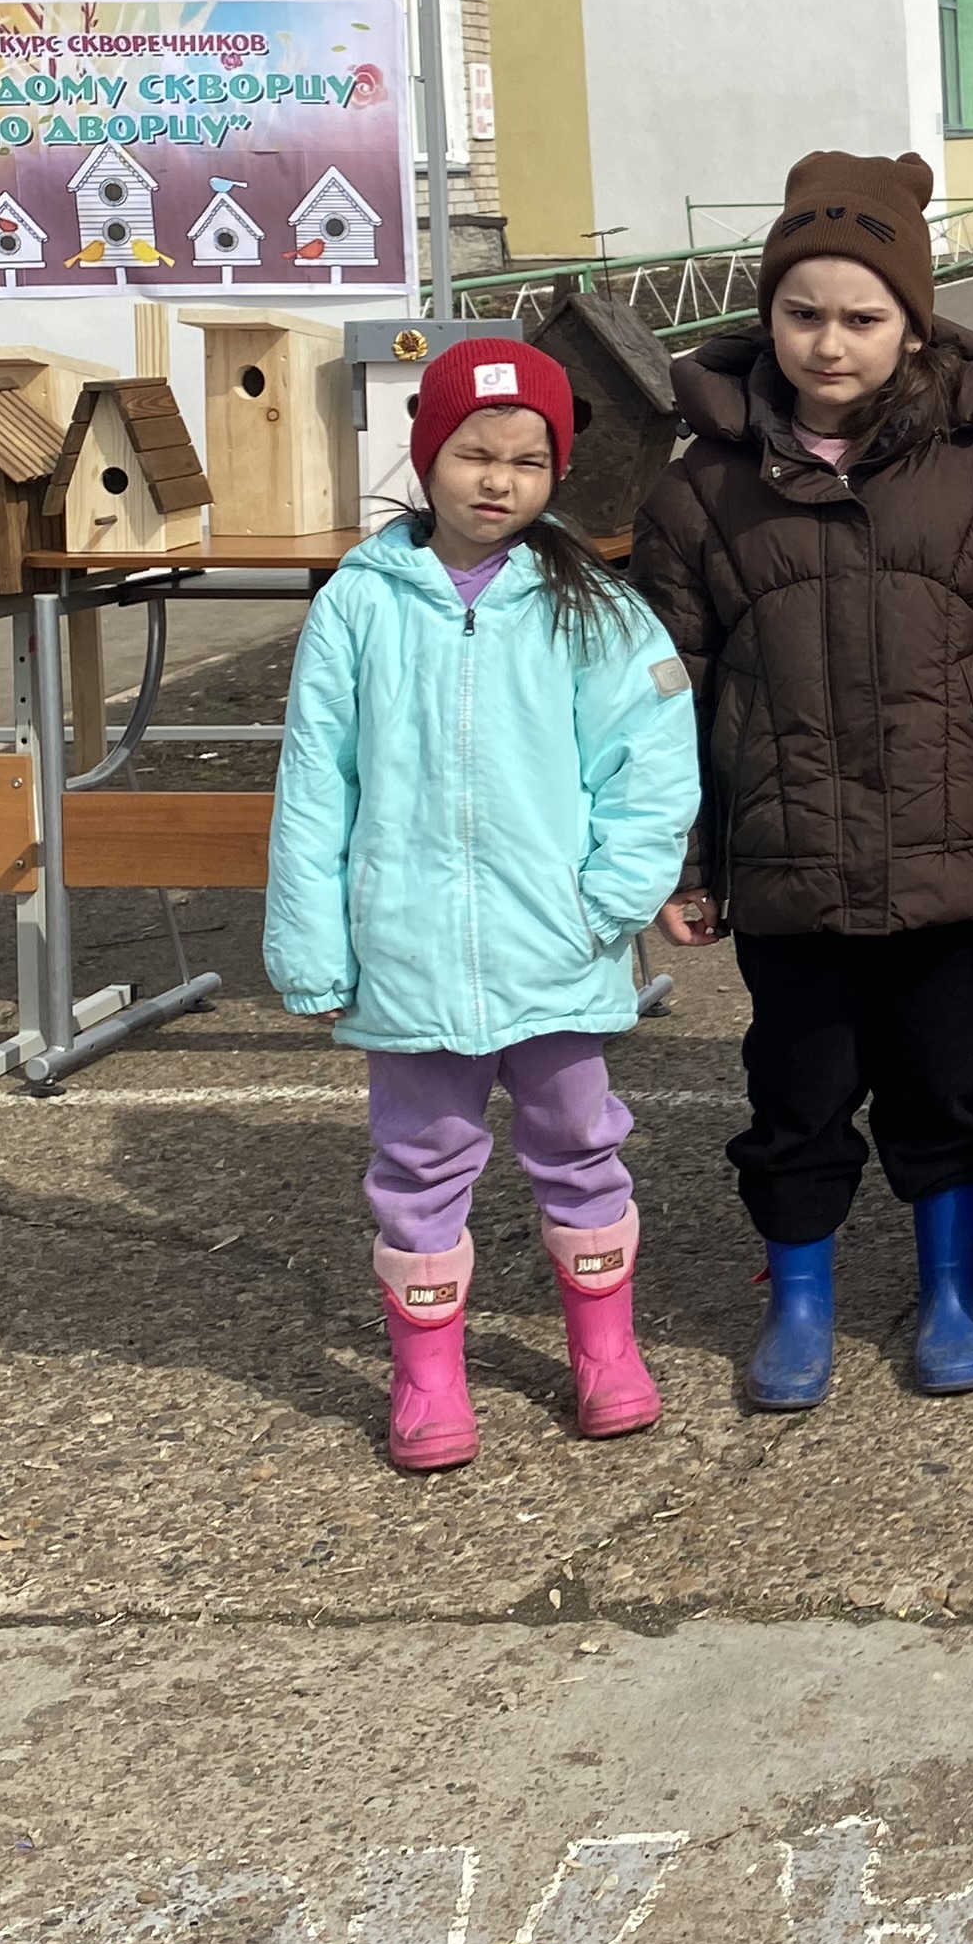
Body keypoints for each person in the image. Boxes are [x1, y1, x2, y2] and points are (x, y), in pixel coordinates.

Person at [631, 150, 973, 1414]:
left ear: (912, 326)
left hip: (945, 850)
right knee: (796, 1091)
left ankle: (952, 1286)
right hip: (787, 857)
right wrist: (684, 859)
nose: (829, 342)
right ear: (765, 317)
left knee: (946, 1082)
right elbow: (665, 687)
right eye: (802, 312)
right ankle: (799, 1296)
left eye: (863, 317)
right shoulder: (702, 485)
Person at [265, 339, 701, 1474]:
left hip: (555, 945)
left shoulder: (592, 607)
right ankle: (428, 1378)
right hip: (407, 954)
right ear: (426, 457)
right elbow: (316, 783)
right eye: (473, 454)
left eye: (527, 460)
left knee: (581, 1145)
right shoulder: (359, 605)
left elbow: (651, 759)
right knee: (419, 1161)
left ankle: (605, 1352)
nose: (498, 481)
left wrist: (609, 899)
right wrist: (314, 945)